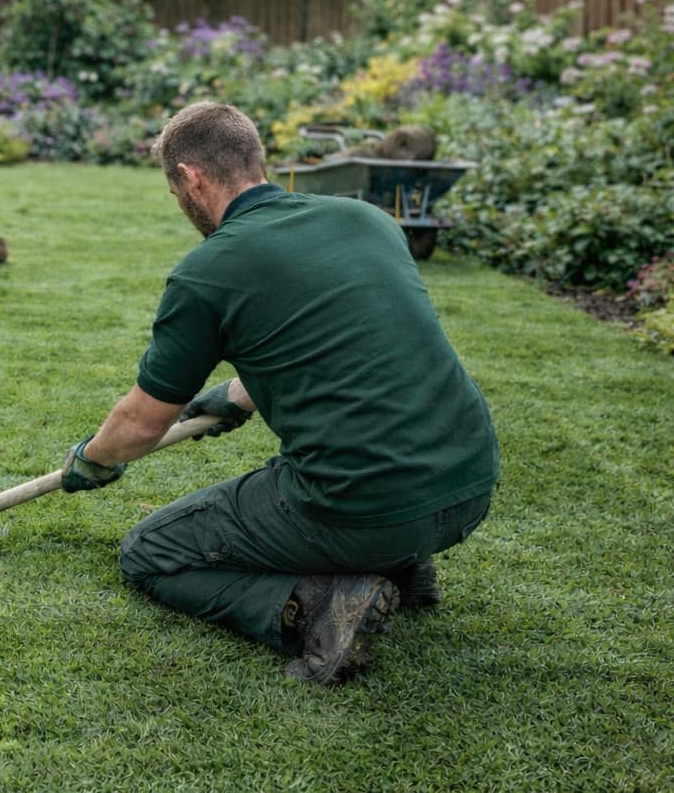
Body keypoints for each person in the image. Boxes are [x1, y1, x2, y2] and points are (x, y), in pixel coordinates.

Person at [59, 101, 499, 685]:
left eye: (175, 191)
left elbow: (140, 424)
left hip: (362, 507)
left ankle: (318, 607)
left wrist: (92, 460)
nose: (181, 204)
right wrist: (237, 397)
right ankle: (406, 566)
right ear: (255, 158)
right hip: (469, 482)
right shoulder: (366, 221)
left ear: (190, 177)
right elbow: (358, 345)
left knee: (149, 552)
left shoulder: (208, 272)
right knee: (381, 472)